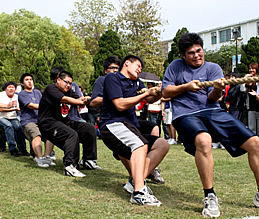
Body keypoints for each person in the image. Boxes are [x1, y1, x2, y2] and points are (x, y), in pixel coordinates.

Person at [162, 32, 259, 217]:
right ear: (183, 55)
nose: (196, 55)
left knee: (255, 143)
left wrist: (217, 88)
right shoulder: (175, 66)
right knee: (204, 140)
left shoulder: (213, 68)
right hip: (186, 114)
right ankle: (210, 196)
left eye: (199, 50)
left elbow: (213, 98)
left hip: (213, 111)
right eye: (191, 53)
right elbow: (166, 91)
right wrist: (186, 87)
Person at [99, 55, 169, 206]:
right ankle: (138, 193)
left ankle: (135, 182)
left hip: (130, 126)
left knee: (162, 144)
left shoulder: (136, 82)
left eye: (141, 68)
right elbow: (120, 104)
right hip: (113, 125)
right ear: (127, 63)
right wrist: (145, 94)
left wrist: (158, 91)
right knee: (140, 145)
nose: (139, 69)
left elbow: (149, 98)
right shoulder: (113, 78)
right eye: (137, 65)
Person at [38, 71, 102, 177]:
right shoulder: (51, 89)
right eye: (66, 82)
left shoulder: (68, 91)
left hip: (63, 122)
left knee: (89, 128)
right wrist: (79, 102)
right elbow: (64, 99)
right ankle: (69, 165)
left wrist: (87, 99)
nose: (68, 85)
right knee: (71, 134)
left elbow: (78, 98)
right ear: (58, 80)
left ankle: (88, 160)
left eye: (70, 83)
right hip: (48, 124)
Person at [18, 73, 55, 167]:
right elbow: (30, 105)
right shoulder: (22, 94)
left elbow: (44, 102)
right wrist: (45, 107)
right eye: (27, 80)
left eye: (31, 79)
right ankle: (39, 159)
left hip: (40, 120)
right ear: (22, 84)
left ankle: (47, 157)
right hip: (28, 121)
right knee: (36, 135)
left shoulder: (37, 93)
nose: (30, 81)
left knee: (52, 135)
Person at [0, 81, 30, 157]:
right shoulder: (2, 95)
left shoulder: (17, 97)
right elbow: (1, 110)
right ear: (5, 89)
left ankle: (22, 149)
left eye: (13, 87)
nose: (11, 89)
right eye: (9, 87)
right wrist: (14, 108)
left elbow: (20, 108)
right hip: (0, 117)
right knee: (8, 126)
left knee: (19, 127)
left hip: (12, 117)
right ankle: (12, 149)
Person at [241, 63, 259, 135]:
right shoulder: (248, 82)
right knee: (252, 128)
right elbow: (242, 89)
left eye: (253, 68)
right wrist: (245, 79)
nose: (251, 70)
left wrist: (256, 94)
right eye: (250, 68)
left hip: (258, 106)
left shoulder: (257, 81)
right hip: (251, 107)